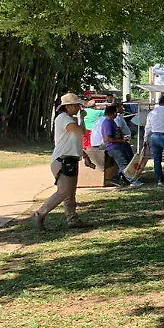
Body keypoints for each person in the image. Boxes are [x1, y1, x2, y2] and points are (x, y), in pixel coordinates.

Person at [32, 93, 96, 230]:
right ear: (67, 106)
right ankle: (40, 213)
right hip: (62, 161)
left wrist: (84, 156)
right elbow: (81, 132)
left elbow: (73, 143)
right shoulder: (63, 119)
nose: (78, 108)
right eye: (76, 105)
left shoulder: (69, 119)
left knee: (70, 192)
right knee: (63, 192)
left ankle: (72, 219)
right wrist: (81, 119)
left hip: (70, 159)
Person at [99, 105, 141, 187]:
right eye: (116, 112)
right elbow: (108, 138)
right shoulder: (107, 123)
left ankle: (115, 179)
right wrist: (121, 140)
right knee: (123, 164)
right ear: (114, 112)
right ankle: (132, 181)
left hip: (117, 146)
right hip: (113, 147)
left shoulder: (112, 121)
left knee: (118, 165)